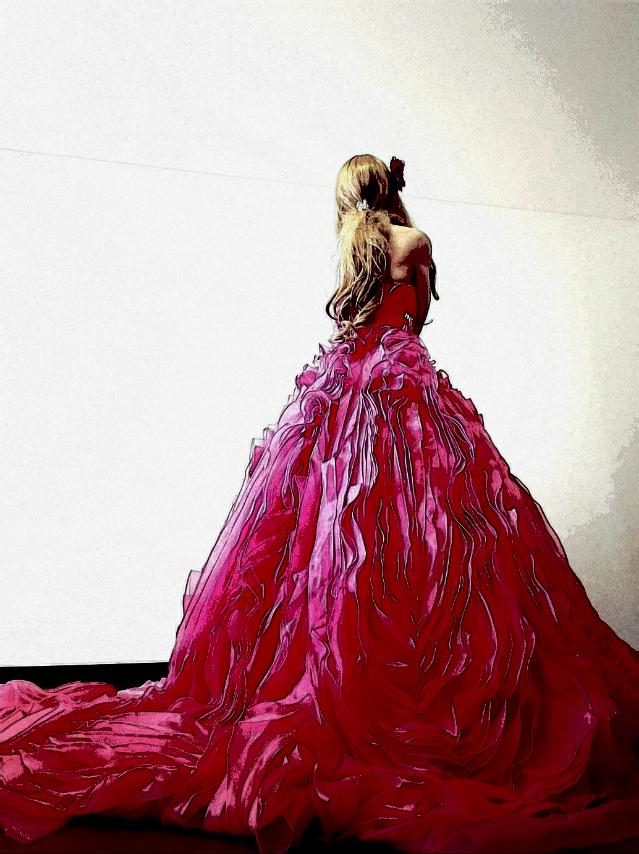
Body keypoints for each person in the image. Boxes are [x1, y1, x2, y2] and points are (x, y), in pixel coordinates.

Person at [1, 153, 638, 854]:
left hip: (340, 392)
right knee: (423, 532)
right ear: (389, 188)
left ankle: (323, 676)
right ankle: (413, 688)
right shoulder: (414, 241)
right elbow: (418, 317)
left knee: (327, 533)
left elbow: (357, 316)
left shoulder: (352, 244)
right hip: (399, 390)